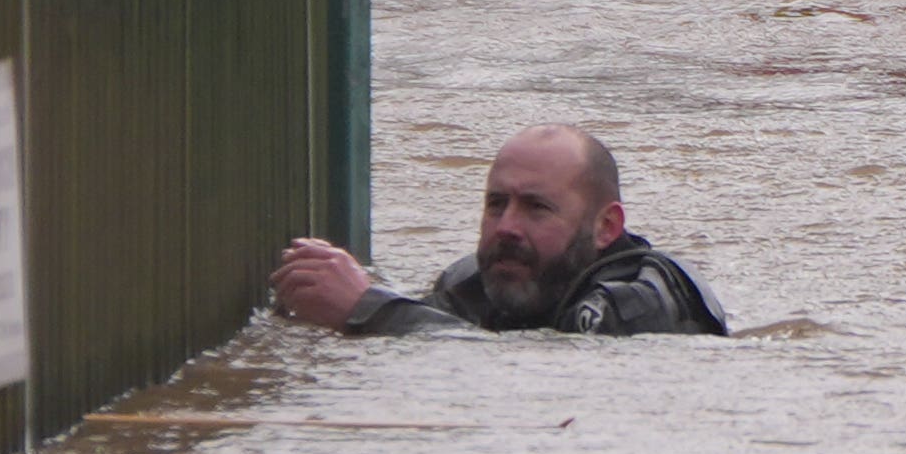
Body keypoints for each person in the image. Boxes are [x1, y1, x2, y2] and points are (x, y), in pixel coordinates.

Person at [272, 125, 726, 337]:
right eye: (496, 204)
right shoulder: (470, 284)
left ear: (606, 227)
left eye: (536, 208)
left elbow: (521, 369)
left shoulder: (639, 306)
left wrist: (368, 310)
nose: (506, 227)